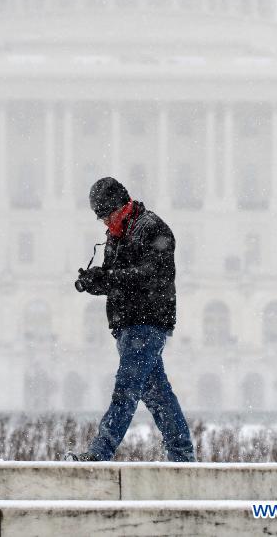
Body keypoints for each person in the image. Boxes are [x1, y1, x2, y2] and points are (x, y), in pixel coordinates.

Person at [66, 176, 195, 462]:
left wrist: (109, 277)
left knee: (126, 388)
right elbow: (117, 281)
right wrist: (94, 282)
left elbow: (152, 275)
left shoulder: (154, 229)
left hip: (148, 322)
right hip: (125, 325)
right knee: (158, 395)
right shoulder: (116, 235)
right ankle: (183, 455)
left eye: (106, 216)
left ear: (120, 206)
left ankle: (101, 452)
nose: (104, 223)